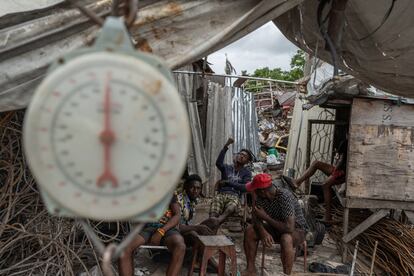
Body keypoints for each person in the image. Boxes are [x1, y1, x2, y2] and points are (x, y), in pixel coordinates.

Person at [243, 173, 307, 275]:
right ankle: (251, 269)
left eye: (255, 189)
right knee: (250, 230)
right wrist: (263, 232)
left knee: (286, 238)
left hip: (297, 230)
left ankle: (286, 274)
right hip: (277, 228)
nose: (253, 191)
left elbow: (289, 228)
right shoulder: (260, 198)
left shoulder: (284, 196)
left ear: (262, 191)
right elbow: (255, 219)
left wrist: (266, 217)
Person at [118, 195, 185, 276]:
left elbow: (177, 215)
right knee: (124, 248)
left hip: (168, 228)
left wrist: (161, 231)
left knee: (180, 247)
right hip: (148, 228)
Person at [293, 138, 348, 223]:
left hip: (343, 173)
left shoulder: (347, 143)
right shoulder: (346, 142)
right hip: (340, 170)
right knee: (316, 163)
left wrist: (335, 168)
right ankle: (298, 181)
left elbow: (340, 163)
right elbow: (339, 161)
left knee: (325, 185)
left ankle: (328, 216)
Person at [204, 137, 253, 231]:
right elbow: (218, 163)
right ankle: (212, 230)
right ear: (237, 155)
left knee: (231, 207)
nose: (241, 156)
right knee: (214, 210)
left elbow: (244, 188)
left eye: (245, 156)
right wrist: (226, 146)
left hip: (234, 196)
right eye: (240, 154)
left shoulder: (247, 173)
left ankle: (218, 221)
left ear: (247, 161)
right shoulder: (227, 167)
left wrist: (228, 182)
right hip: (221, 194)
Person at [177, 174, 214, 245]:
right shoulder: (179, 201)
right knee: (193, 234)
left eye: (198, 188)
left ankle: (210, 248)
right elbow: (177, 227)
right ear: (186, 187)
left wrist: (198, 227)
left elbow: (189, 223)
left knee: (213, 221)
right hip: (176, 233)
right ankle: (196, 255)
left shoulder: (193, 201)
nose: (195, 191)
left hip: (186, 228)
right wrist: (197, 228)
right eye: (192, 187)